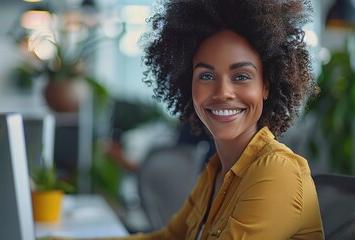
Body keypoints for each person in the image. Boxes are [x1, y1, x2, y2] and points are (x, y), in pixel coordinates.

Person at [53, 0, 324, 239]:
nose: (222, 93)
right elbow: (169, 237)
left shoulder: (276, 172)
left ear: (266, 86)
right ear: (187, 84)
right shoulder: (216, 171)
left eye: (241, 76)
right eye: (206, 76)